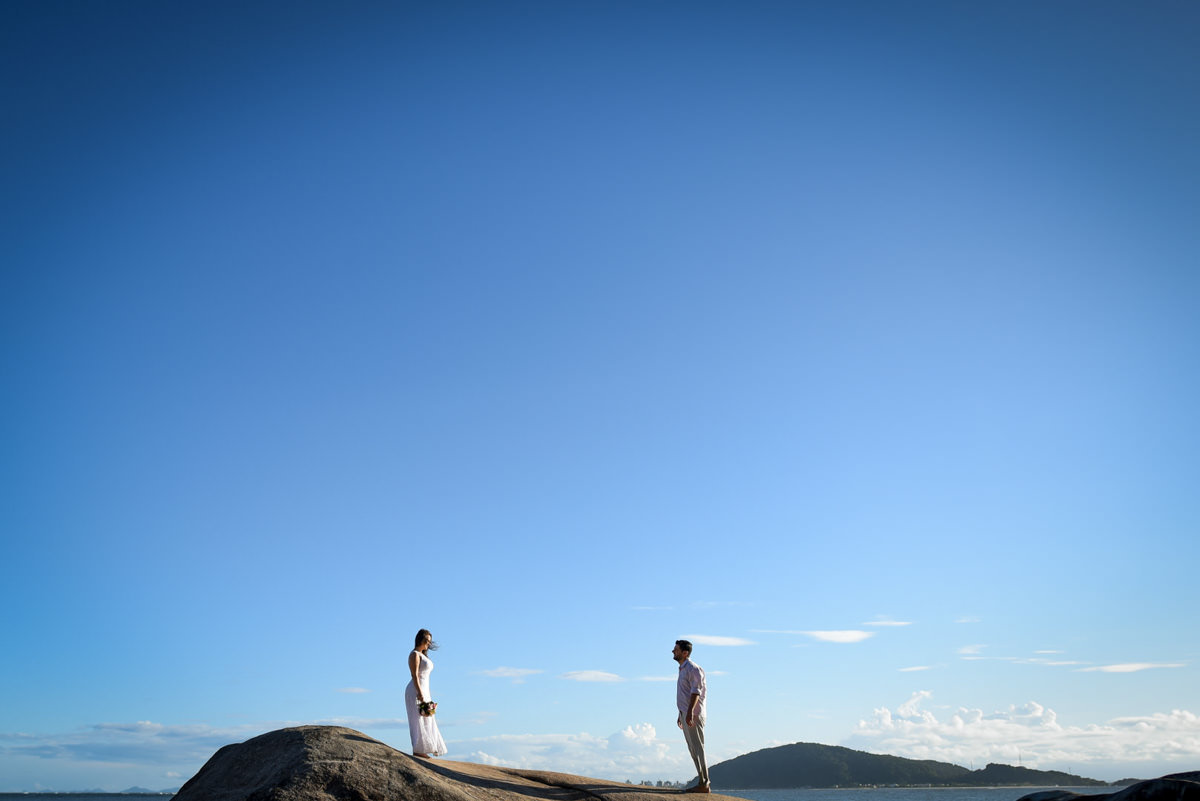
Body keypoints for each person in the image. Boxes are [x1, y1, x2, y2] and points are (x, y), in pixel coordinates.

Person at [673, 639, 710, 793]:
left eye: (676, 649)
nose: (673, 651)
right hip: (686, 713)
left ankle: (704, 783)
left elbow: (696, 692)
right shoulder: (682, 669)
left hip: (693, 714)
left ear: (685, 653)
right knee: (693, 749)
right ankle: (702, 782)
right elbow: (685, 693)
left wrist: (689, 713)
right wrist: (681, 713)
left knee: (698, 748)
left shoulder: (693, 669)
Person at [405, 628, 447, 758]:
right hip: (416, 690)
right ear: (420, 639)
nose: (428, 643)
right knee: (417, 718)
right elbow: (414, 675)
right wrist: (420, 692)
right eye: (427, 640)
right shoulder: (415, 654)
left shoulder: (423, 655)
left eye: (429, 641)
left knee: (428, 716)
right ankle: (418, 749)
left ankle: (426, 748)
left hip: (424, 690)